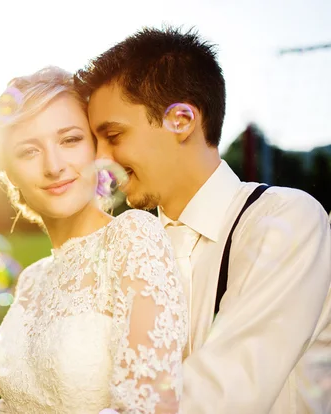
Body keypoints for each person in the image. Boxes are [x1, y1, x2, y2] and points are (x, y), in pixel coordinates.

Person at [74, 26, 331, 413]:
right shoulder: (126, 249)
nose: (101, 158)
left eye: (113, 134)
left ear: (182, 119)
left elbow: (226, 393)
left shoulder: (285, 219)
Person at [0, 66, 188, 414]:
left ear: (96, 148)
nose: (54, 166)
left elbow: (148, 406)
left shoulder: (132, 237)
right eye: (28, 151)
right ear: (9, 172)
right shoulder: (31, 278)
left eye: (69, 140)